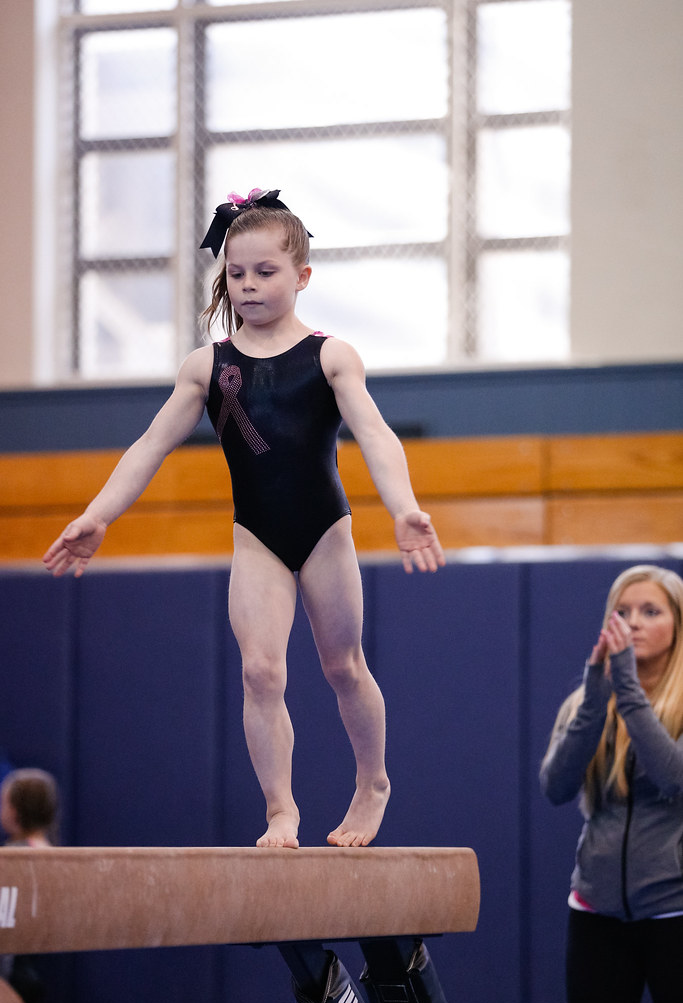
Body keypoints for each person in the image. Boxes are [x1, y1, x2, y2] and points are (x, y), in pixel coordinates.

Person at [43, 188, 445, 850]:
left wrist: (404, 508)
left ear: (301, 276)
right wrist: (97, 516)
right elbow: (149, 445)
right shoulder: (208, 367)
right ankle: (280, 809)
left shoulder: (330, 355)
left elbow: (374, 433)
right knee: (260, 671)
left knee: (342, 666)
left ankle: (372, 782)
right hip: (256, 537)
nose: (249, 286)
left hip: (324, 533)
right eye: (236, 273)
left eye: (265, 272)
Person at [540, 564, 683, 1003]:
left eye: (650, 610)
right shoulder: (590, 702)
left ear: (678, 624)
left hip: (674, 911)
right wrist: (595, 700)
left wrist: (627, 690)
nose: (634, 621)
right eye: (622, 611)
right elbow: (556, 787)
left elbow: (674, 779)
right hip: (595, 910)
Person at [0, 768, 60, 1003]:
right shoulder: (54, 855)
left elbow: (4, 922)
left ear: (13, 811)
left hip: (8, 976)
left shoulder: (14, 856)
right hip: (28, 976)